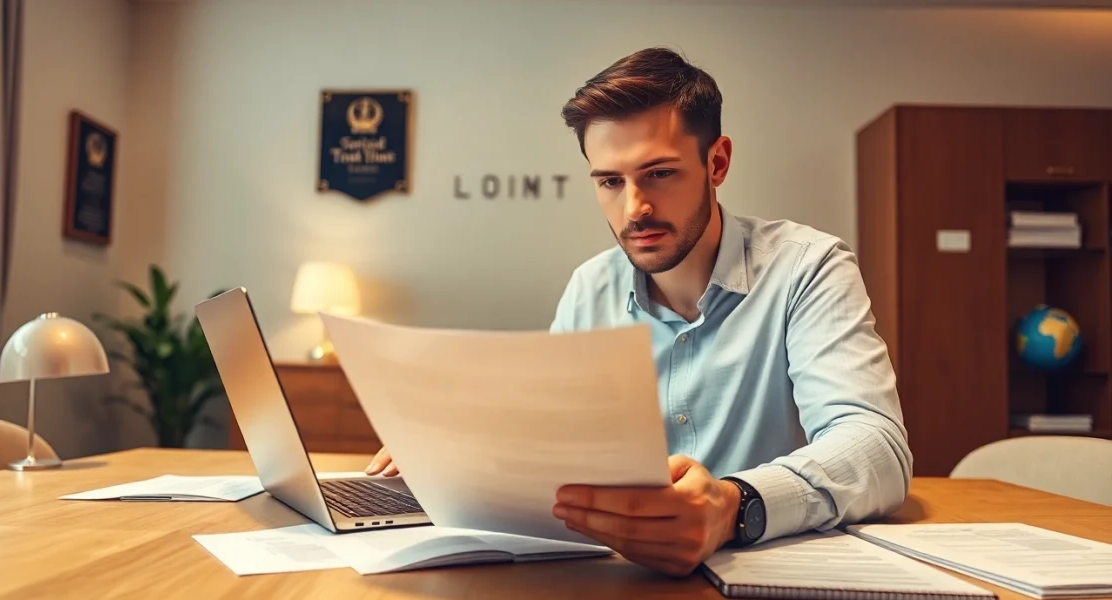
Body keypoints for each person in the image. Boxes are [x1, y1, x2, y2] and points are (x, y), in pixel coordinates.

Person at [365, 46, 912, 577]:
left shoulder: (808, 268)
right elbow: (549, 436)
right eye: (610, 181)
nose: (634, 209)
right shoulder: (589, 288)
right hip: (614, 580)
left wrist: (732, 505)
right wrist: (452, 448)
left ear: (716, 162)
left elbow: (877, 448)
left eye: (659, 173)